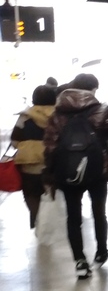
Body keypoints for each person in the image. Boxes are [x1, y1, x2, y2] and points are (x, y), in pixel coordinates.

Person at [43, 73, 108, 279]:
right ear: (92, 90)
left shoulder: (57, 115)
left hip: (67, 172)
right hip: (97, 170)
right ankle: (101, 251)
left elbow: (49, 147)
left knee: (73, 216)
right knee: (99, 212)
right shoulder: (101, 110)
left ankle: (80, 261)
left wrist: (50, 172)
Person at [10, 84, 57, 228]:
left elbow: (15, 141)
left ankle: (36, 225)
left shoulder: (25, 117)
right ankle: (51, 226)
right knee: (54, 198)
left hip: (29, 166)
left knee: (32, 197)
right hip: (53, 165)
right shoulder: (59, 116)